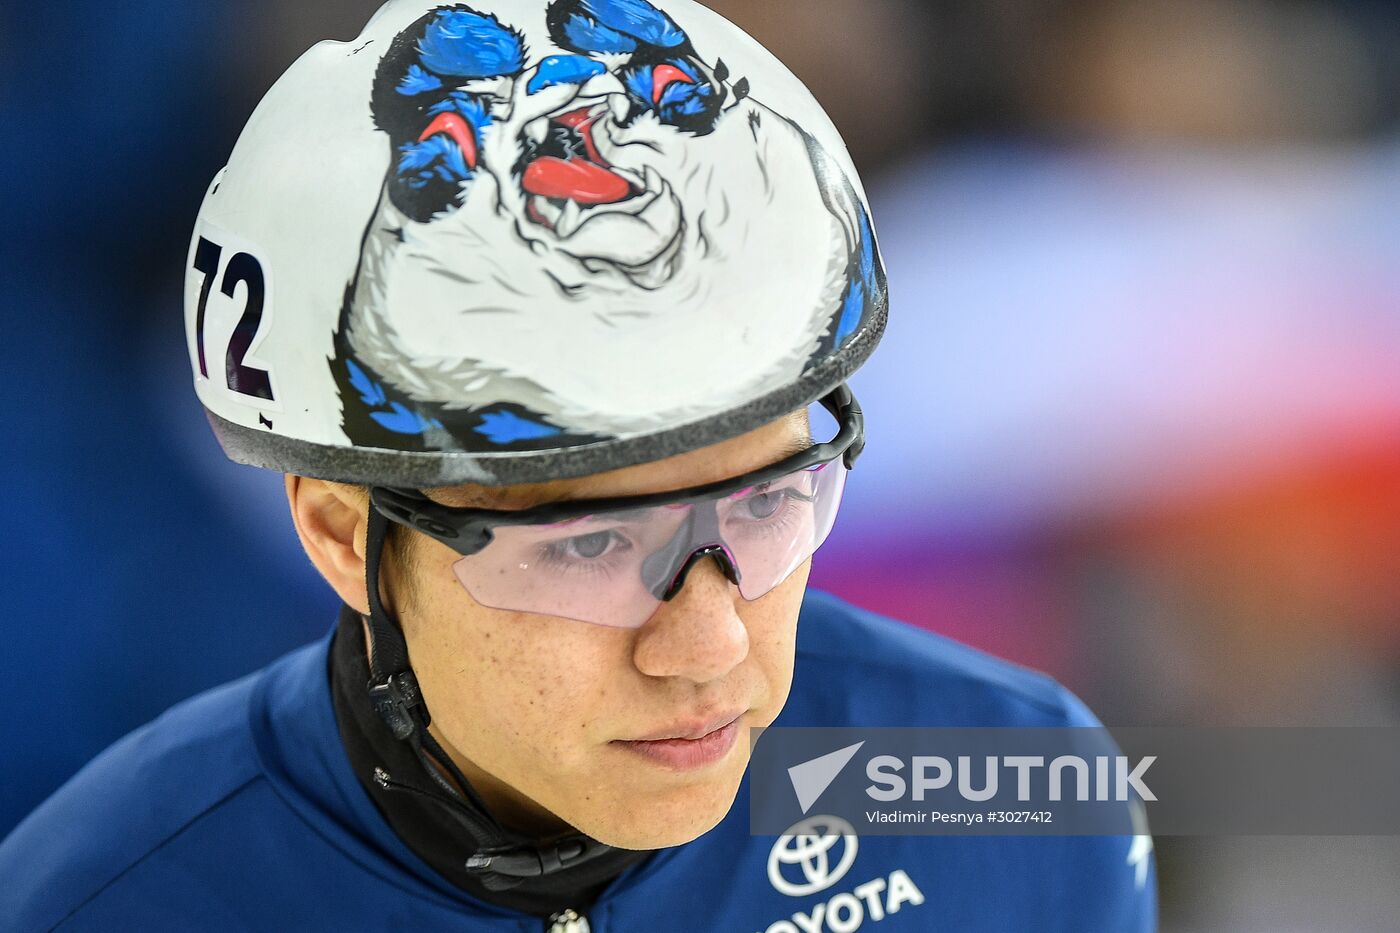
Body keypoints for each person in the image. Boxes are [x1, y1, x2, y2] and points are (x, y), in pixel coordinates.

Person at [0, 1, 1155, 929]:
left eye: (767, 502)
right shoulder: (104, 902)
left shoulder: (1011, 788)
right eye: (590, 542)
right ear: (344, 536)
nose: (710, 648)